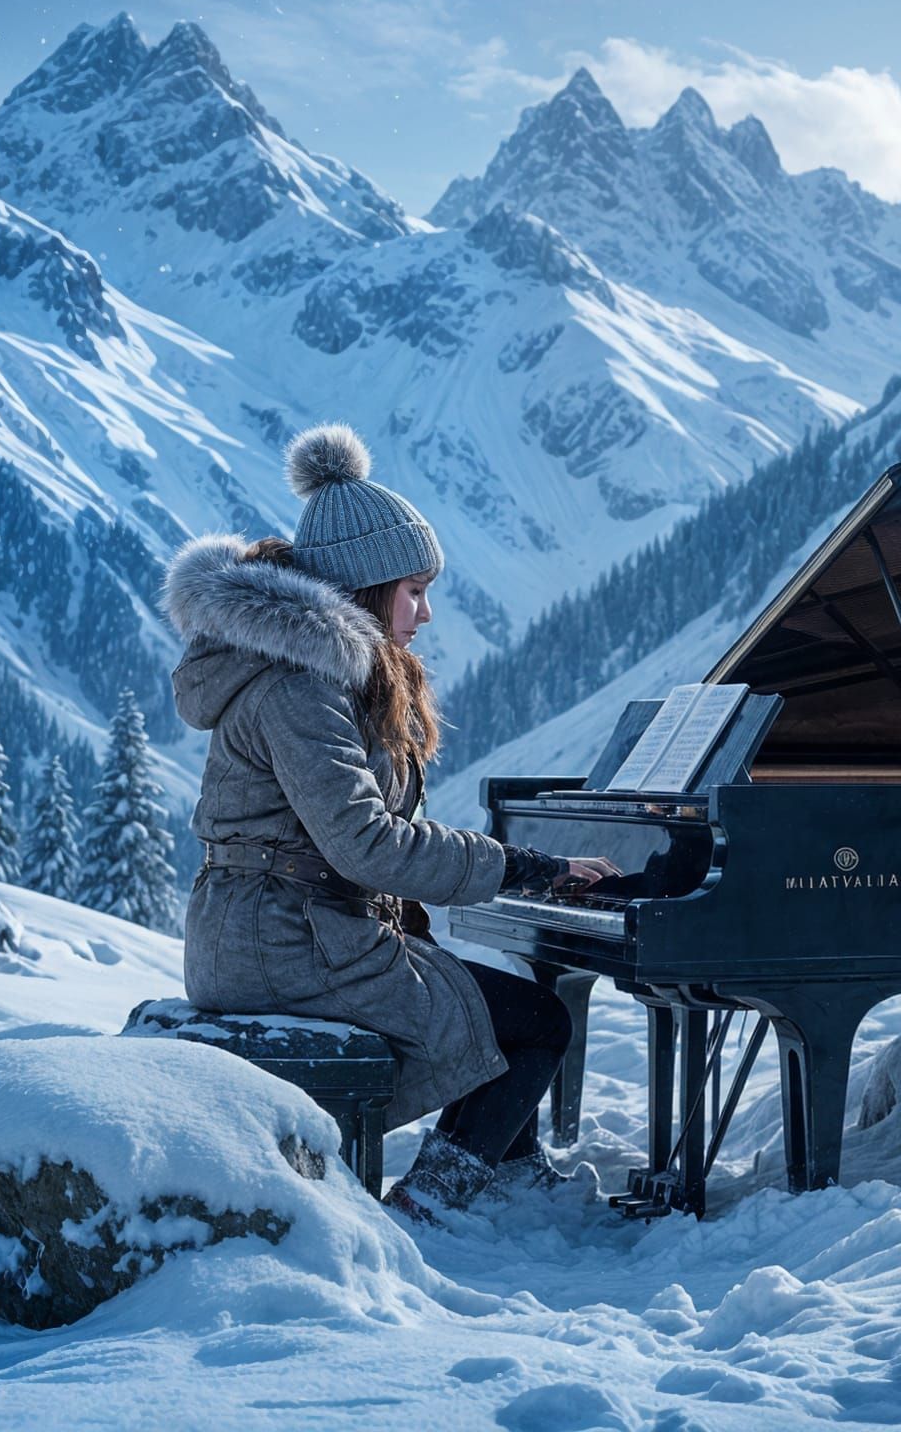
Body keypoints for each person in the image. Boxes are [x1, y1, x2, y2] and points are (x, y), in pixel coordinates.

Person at [163, 422, 620, 1224]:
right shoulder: (300, 688)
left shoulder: (315, 673)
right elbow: (365, 843)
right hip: (284, 944)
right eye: (414, 591)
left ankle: (495, 1172)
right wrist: (521, 866)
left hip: (278, 931)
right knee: (537, 1021)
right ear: (367, 590)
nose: (427, 613)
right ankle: (424, 1208)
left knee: (489, 1005)